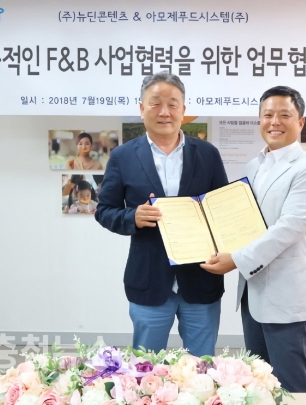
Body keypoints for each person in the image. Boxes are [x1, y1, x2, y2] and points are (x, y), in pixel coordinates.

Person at [201, 86, 306, 392]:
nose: (275, 122)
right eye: (268, 115)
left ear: (300, 122)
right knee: (260, 383)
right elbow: (245, 223)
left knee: (291, 386)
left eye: (284, 115)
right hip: (253, 293)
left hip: (287, 295)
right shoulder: (254, 166)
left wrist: (236, 259)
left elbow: (288, 229)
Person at [95, 71, 228, 356]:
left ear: (184, 109)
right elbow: (104, 210)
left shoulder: (208, 154)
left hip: (201, 279)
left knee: (201, 367)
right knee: (146, 369)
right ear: (142, 108)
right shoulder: (122, 157)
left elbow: (223, 211)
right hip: (149, 281)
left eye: (172, 104)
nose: (164, 112)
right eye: (155, 103)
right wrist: (132, 217)